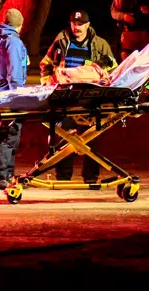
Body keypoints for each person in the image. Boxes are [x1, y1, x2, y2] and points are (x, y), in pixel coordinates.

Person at [39, 10, 117, 182]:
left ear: (88, 25)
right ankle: (63, 176)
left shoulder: (100, 45)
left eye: (81, 24)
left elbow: (113, 68)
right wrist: (46, 81)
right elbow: (46, 63)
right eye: (74, 23)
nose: (77, 27)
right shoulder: (61, 42)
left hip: (91, 98)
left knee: (92, 136)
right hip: (65, 98)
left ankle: (90, 177)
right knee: (65, 135)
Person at [0, 9, 29, 189]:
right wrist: (18, 95)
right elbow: (15, 73)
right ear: (20, 25)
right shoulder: (12, 41)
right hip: (8, 95)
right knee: (9, 135)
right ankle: (1, 176)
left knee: (4, 134)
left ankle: (6, 175)